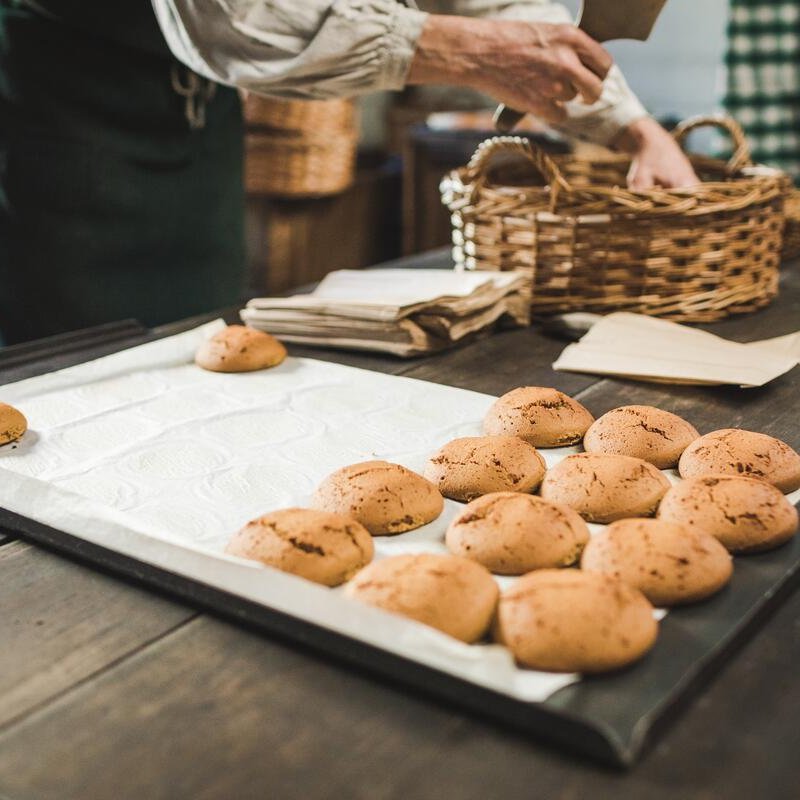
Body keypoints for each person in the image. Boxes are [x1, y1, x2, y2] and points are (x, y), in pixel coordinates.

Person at [0, 1, 696, 345]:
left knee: (197, 338)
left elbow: (485, 5)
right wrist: (456, 51)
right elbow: (229, 18)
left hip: (194, 136)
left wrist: (632, 128)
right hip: (48, 132)